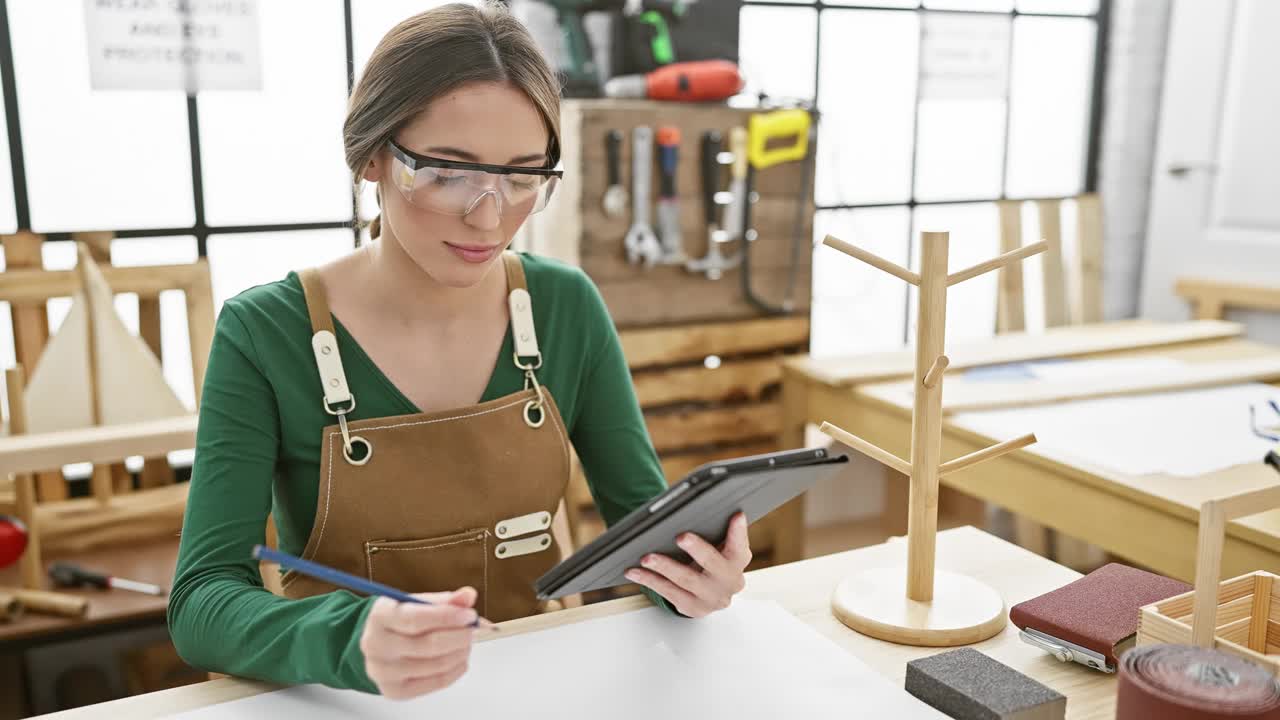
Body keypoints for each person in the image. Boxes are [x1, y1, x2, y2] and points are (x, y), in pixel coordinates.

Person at [168, 1, 752, 701]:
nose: (489, 215)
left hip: (536, 688)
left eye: (522, 175)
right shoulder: (265, 331)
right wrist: (346, 639)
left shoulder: (566, 307)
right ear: (373, 156)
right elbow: (201, 599)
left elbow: (646, 532)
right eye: (448, 172)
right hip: (350, 700)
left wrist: (691, 579)